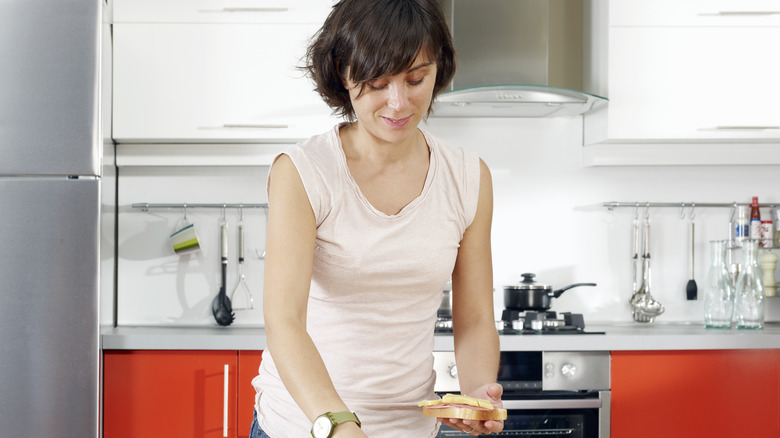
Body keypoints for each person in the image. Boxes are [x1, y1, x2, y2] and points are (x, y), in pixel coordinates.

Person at [250, 0, 502, 436]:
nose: (398, 102)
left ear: (439, 69)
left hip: (410, 428)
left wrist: (478, 393)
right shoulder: (304, 171)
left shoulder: (467, 176)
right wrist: (338, 423)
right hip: (307, 423)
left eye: (416, 78)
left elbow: (475, 316)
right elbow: (284, 320)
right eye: (377, 83)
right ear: (342, 72)